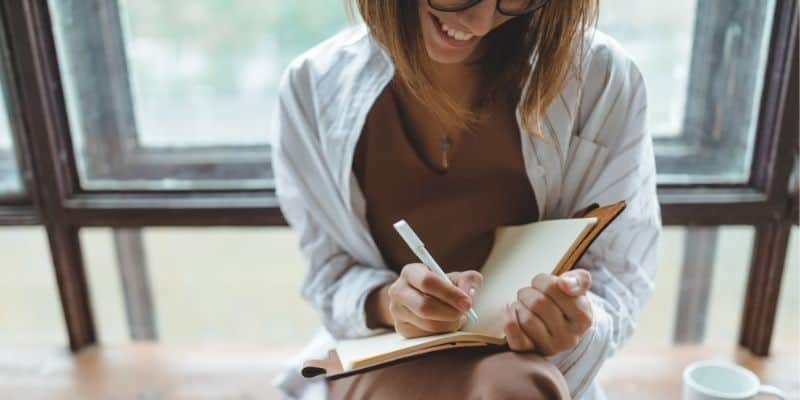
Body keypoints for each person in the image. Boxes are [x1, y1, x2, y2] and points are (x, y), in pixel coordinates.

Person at [271, 0, 661, 399]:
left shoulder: (600, 78)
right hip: (384, 353)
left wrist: (574, 320)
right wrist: (392, 304)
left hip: (526, 366)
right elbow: (330, 273)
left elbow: (618, 274)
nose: (479, 20)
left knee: (516, 387)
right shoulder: (312, 90)